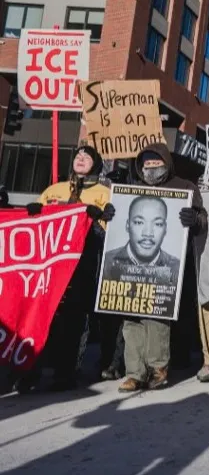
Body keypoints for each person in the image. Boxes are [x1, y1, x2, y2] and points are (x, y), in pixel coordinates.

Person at [16, 146, 115, 392]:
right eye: (78, 156)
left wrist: (100, 218)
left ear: (96, 164)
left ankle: (65, 372)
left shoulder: (105, 193)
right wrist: (33, 212)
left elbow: (112, 236)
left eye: (87, 157)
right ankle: (30, 371)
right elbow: (34, 227)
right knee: (42, 317)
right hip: (50, 267)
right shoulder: (53, 189)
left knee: (74, 320)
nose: (81, 159)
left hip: (82, 266)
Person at [118, 144, 207, 393]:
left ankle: (157, 368)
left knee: (157, 315)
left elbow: (202, 220)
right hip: (131, 263)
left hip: (164, 264)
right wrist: (112, 212)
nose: (151, 168)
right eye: (146, 164)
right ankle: (135, 372)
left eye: (156, 164)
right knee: (132, 316)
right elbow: (120, 219)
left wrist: (194, 219)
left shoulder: (185, 186)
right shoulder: (133, 187)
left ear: (166, 164)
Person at [102, 196, 180, 281]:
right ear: (127, 225)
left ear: (165, 229)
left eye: (158, 224)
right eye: (139, 222)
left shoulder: (177, 268)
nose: (148, 233)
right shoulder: (105, 262)